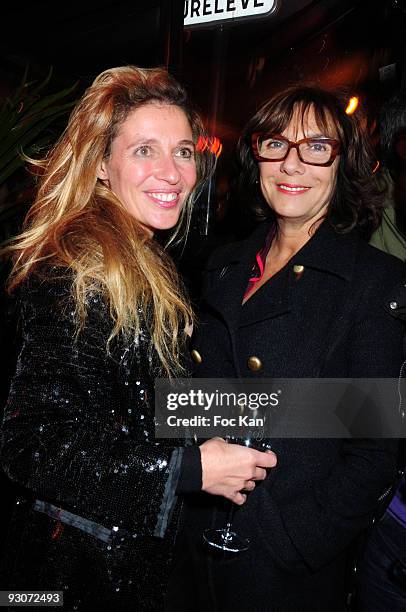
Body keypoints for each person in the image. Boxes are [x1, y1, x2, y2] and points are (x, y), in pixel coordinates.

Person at [0, 65, 277, 611]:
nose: (172, 172)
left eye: (182, 151)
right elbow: (29, 445)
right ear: (102, 166)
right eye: (144, 151)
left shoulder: (140, 255)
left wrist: (332, 409)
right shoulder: (78, 267)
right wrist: (189, 471)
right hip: (66, 578)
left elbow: (131, 403)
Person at [168, 86, 406, 612]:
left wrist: (293, 541)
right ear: (257, 156)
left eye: (317, 147)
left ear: (343, 164)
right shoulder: (223, 264)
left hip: (281, 564)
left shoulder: (375, 283)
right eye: (276, 144)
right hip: (192, 534)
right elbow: (193, 400)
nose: (293, 163)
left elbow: (372, 454)